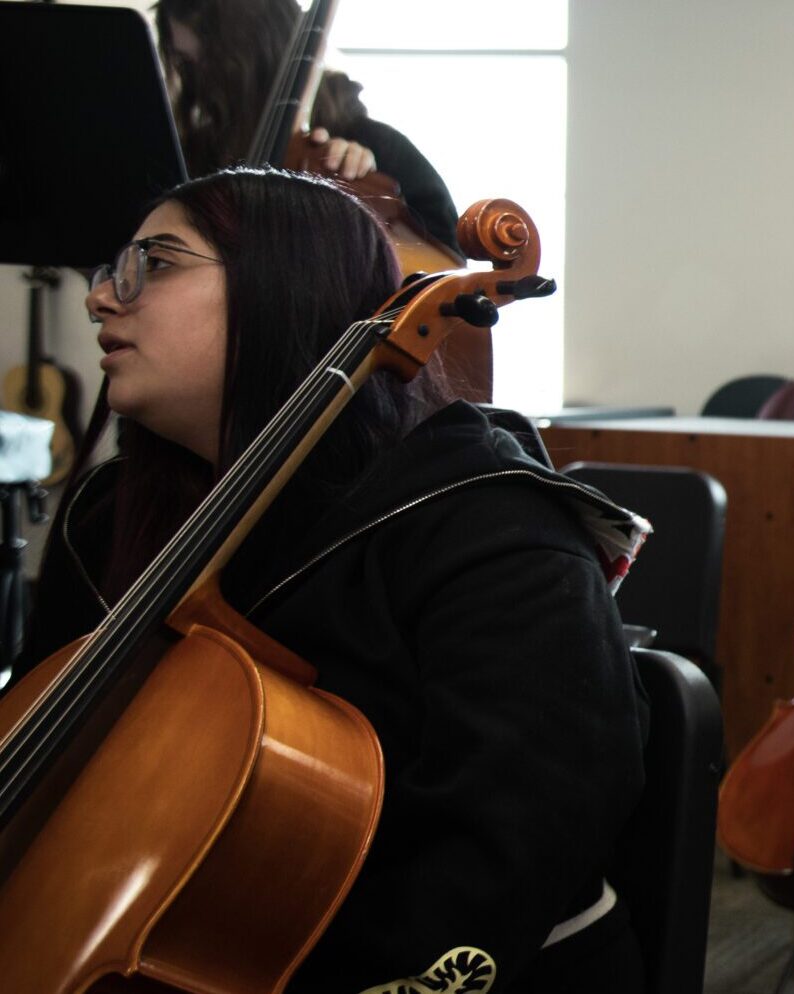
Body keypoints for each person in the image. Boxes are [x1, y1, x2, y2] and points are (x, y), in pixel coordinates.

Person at [13, 167, 646, 991]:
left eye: (156, 264)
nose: (103, 299)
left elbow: (517, 840)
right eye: (111, 271)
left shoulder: (487, 522)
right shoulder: (103, 518)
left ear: (286, 286)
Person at [155, 0, 461, 252]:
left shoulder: (377, 145)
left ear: (256, 53)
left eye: (210, 62)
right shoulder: (195, 155)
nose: (198, 83)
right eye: (184, 63)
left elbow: (442, 262)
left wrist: (365, 195)